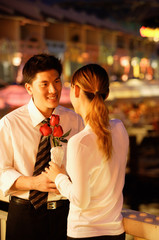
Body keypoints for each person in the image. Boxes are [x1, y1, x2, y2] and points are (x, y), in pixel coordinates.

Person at [0, 53, 84, 240]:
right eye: (44, 84)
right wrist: (34, 183)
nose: (53, 90)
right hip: (24, 216)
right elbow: (1, 171)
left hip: (66, 215)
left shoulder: (75, 120)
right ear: (29, 88)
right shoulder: (10, 123)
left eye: (57, 81)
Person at [45, 64, 129, 240]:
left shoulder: (80, 142)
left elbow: (80, 200)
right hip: (115, 232)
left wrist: (58, 177)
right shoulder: (120, 129)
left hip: (84, 233)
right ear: (106, 93)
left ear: (76, 90)